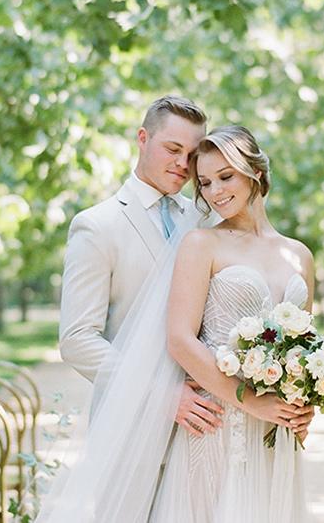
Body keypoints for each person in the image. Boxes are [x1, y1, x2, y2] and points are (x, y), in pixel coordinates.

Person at [38, 125, 314, 523]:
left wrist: (306, 406)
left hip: (275, 429)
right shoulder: (199, 241)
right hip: (214, 419)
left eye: (225, 177)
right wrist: (246, 400)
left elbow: (305, 349)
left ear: (255, 171)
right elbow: (179, 340)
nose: (214, 191)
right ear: (142, 138)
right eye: (204, 182)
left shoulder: (299, 255)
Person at [58, 95, 224, 436]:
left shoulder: (206, 220)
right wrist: (156, 393)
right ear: (143, 139)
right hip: (129, 429)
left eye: (192, 156)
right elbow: (76, 339)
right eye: (172, 149)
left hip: (205, 430)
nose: (183, 163)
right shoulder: (97, 225)